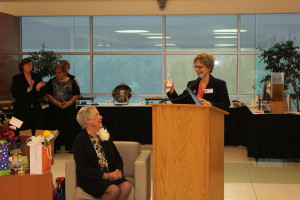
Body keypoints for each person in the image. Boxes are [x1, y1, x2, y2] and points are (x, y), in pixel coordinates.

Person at [73, 106, 132, 199]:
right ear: (87, 120)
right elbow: (82, 168)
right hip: (93, 178)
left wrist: (119, 171)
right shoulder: (80, 140)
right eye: (97, 115)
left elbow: (117, 157)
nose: (101, 117)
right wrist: (106, 176)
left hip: (110, 173)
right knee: (114, 190)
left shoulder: (103, 134)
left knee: (127, 186)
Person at [164, 53, 230, 111]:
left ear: (209, 67)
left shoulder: (219, 84)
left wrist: (211, 104)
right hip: (193, 121)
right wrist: (171, 90)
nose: (196, 70)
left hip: (211, 121)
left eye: (200, 67)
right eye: (195, 67)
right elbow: (178, 102)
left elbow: (225, 105)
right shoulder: (192, 84)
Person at [44, 63, 80, 152]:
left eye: (59, 72)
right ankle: (54, 147)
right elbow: (47, 93)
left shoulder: (71, 81)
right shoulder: (51, 81)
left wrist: (69, 102)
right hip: (55, 109)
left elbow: (77, 94)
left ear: (64, 72)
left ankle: (71, 147)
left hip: (69, 108)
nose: (57, 75)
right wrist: (55, 102)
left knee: (70, 127)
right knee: (55, 127)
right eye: (56, 73)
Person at [11, 58, 46, 134]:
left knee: (37, 132)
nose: (29, 66)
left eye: (31, 64)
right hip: (21, 111)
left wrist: (37, 89)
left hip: (35, 110)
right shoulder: (17, 78)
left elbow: (41, 94)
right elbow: (15, 94)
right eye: (27, 64)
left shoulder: (36, 77)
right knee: (24, 133)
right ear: (22, 66)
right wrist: (28, 89)